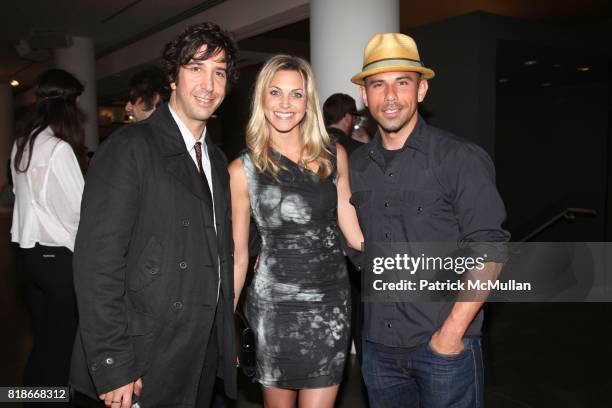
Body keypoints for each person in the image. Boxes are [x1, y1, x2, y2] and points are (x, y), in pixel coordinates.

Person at [69, 22, 239, 407]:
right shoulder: (130, 147)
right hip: (141, 356)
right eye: (196, 68)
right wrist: (113, 364)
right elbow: (98, 264)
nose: (208, 84)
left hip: (195, 353)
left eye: (219, 72)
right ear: (172, 78)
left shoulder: (215, 158)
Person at [349, 33, 510, 407]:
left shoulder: (459, 158)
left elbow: (490, 249)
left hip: (443, 347)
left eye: (402, 83)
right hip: (378, 349)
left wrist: (451, 334)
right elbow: (357, 245)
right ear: (365, 96)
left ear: (421, 90)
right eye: (378, 85)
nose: (390, 97)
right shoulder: (356, 166)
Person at [229, 55, 363, 408]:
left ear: (309, 101)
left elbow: (354, 235)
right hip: (275, 310)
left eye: (296, 94)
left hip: (330, 306)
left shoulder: (335, 155)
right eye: (275, 93)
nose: (285, 104)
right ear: (262, 99)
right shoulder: (242, 171)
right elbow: (239, 256)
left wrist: (411, 269)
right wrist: (223, 323)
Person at [10, 69, 86, 399]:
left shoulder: (22, 144)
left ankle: (33, 401)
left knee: (43, 341)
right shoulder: (58, 149)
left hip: (29, 255)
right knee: (60, 347)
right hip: (59, 258)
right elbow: (80, 211)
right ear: (67, 105)